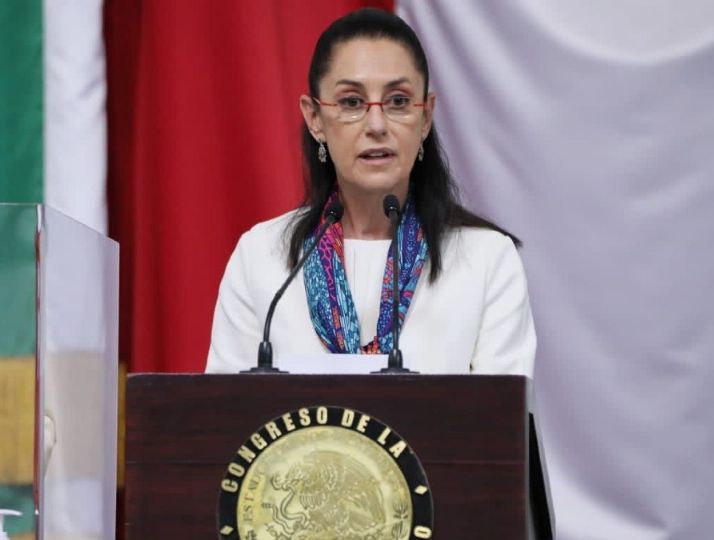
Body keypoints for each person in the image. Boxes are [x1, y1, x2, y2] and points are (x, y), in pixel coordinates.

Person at [205, 8, 535, 376]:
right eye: (351, 102)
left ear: (425, 118)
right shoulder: (263, 257)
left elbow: (502, 426)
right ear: (315, 119)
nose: (376, 125)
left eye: (397, 101)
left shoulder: (486, 259)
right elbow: (226, 422)